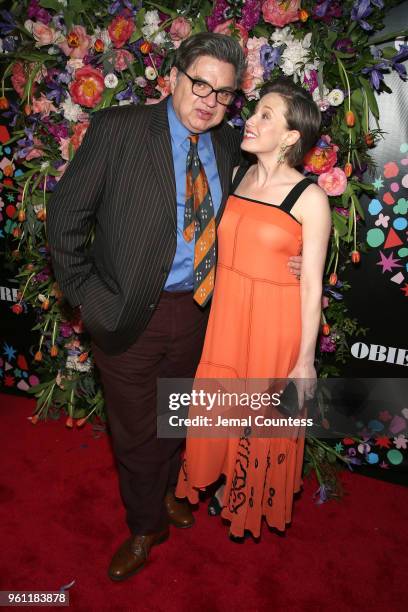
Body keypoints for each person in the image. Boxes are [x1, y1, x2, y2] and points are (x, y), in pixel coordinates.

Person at [47, 33, 301, 581]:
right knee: (137, 431)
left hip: (204, 316)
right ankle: (144, 526)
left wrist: (293, 261)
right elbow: (64, 220)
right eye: (200, 83)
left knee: (176, 418)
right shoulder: (119, 129)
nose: (209, 100)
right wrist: (91, 301)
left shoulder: (234, 144)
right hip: (127, 314)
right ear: (174, 77)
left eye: (225, 93)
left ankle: (161, 494)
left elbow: (267, 212)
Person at [176, 77, 331, 539]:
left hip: (274, 323)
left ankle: (244, 491)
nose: (251, 120)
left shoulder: (311, 198)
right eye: (255, 110)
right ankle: (222, 475)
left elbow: (312, 285)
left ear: (290, 137)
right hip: (228, 315)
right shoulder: (239, 175)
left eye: (267, 115)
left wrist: (305, 361)